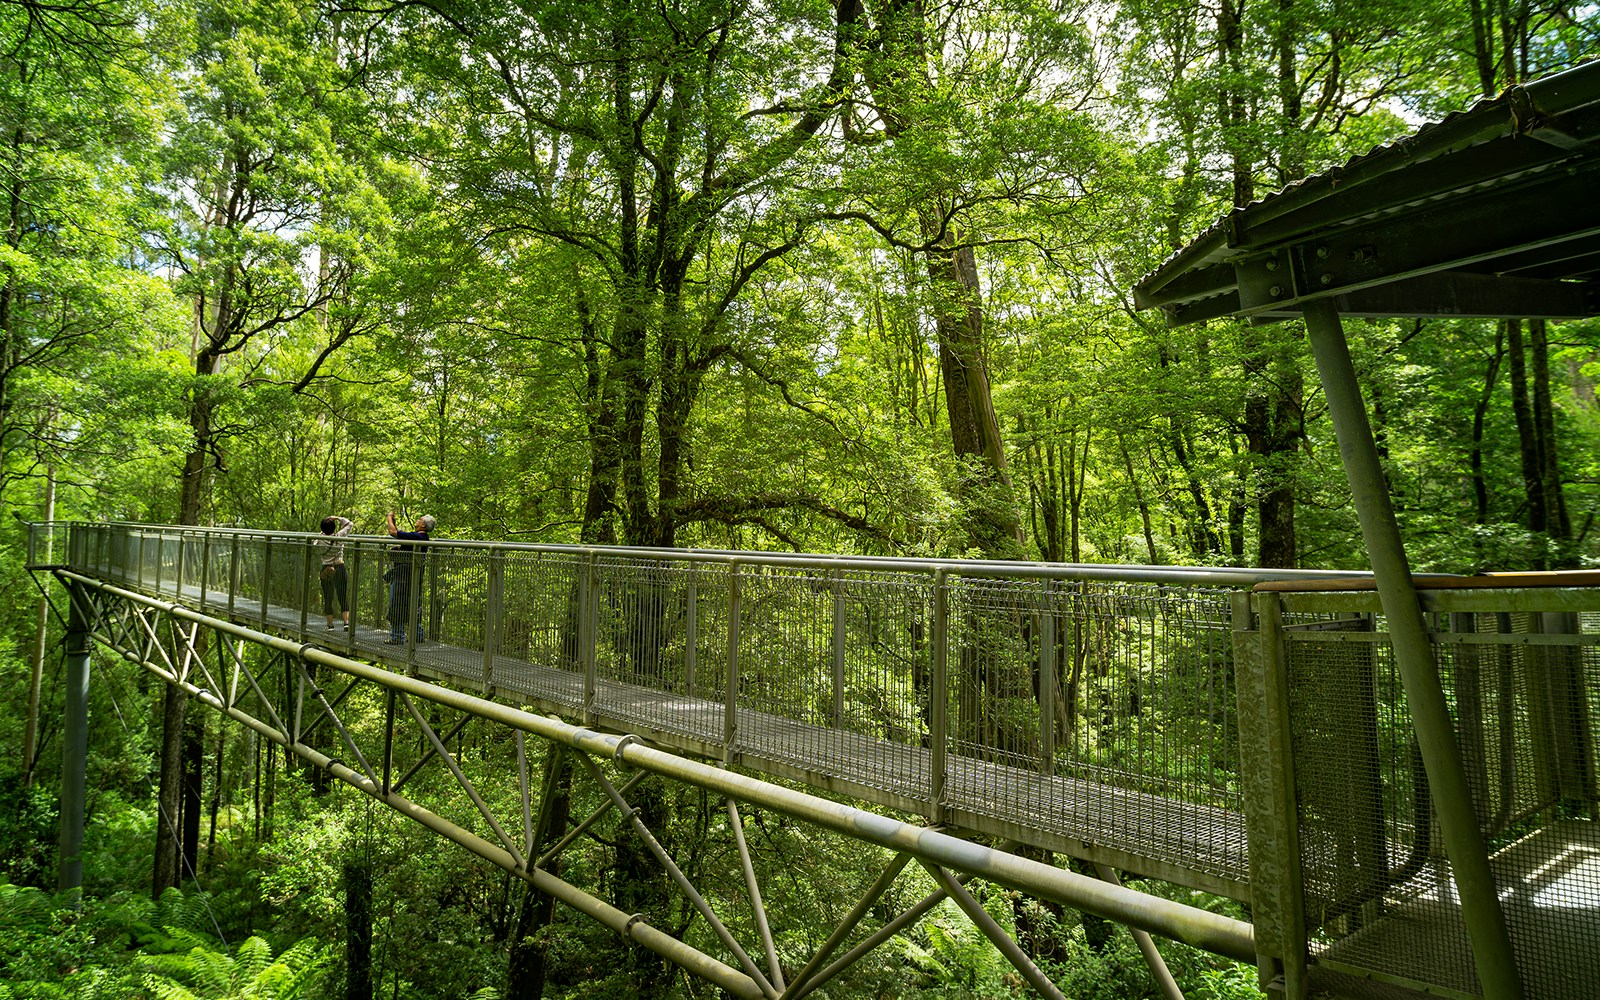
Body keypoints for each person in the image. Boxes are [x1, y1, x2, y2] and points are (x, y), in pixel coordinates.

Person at [385, 511, 434, 644]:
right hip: (414, 576)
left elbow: (393, 532)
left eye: (420, 519)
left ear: (423, 525)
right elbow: (399, 535)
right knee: (412, 605)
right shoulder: (420, 538)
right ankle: (417, 635)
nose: (417, 521)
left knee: (397, 604)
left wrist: (389, 518)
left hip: (403, 577)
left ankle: (397, 637)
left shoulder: (417, 537)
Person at [316, 515, 355, 631]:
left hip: (325, 569)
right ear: (334, 528)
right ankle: (346, 622)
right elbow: (350, 524)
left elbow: (316, 543)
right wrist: (337, 518)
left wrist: (323, 530)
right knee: (342, 595)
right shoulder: (340, 536)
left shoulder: (319, 540)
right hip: (339, 566)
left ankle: (330, 625)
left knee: (328, 597)